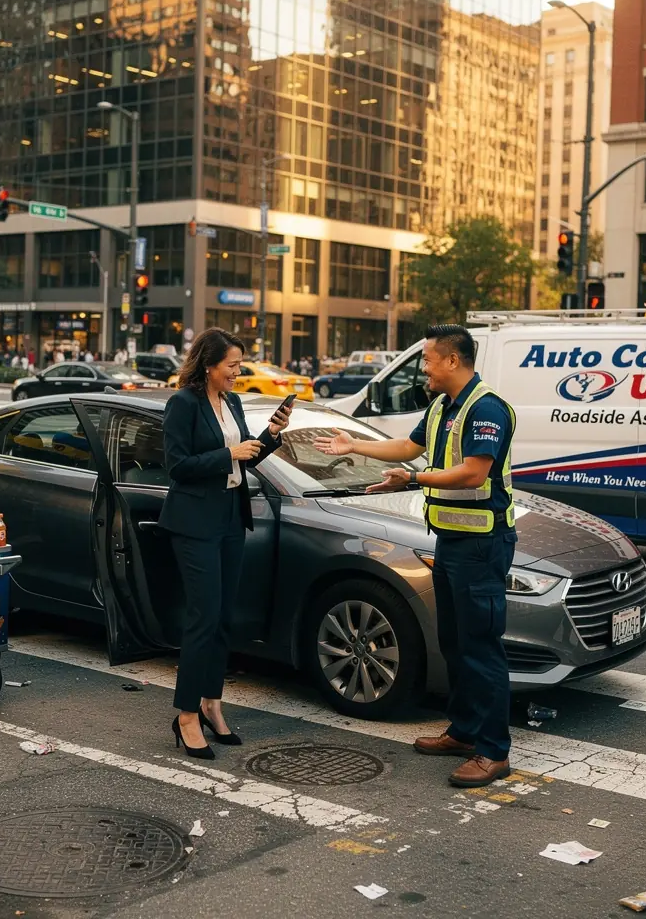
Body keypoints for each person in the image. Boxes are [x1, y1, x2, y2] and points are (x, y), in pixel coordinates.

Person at [314, 324, 516, 789]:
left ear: (452, 361)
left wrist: (411, 480)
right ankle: (464, 732)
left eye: (427, 359)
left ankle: (493, 751)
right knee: (456, 644)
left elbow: (471, 474)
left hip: (482, 546)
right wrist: (354, 445)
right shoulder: (444, 406)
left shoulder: (486, 409)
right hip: (451, 543)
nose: (423, 368)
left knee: (482, 649)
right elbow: (408, 448)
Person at [160, 327, 292, 759]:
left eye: (239, 365)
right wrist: (227, 456)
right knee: (202, 617)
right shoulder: (182, 403)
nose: (238, 373)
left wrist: (270, 436)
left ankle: (211, 702)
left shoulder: (231, 402)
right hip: (195, 523)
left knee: (222, 619)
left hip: (231, 520)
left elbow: (246, 455)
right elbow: (177, 465)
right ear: (209, 365)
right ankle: (185, 715)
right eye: (232, 366)